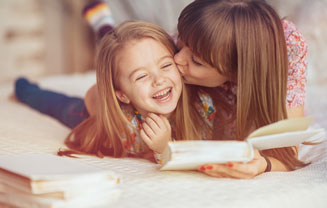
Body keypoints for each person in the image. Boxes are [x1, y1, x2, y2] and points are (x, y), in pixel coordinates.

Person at [14, 21, 212, 162]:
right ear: (122, 94)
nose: (159, 79)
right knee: (56, 104)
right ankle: (24, 88)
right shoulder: (123, 123)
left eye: (166, 65)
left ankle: (106, 29)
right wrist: (163, 147)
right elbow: (172, 160)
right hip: (94, 108)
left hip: (116, 90)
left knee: (122, 51)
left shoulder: (202, 103)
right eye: (141, 76)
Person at [173, 0, 309, 178]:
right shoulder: (193, 38)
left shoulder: (288, 49)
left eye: (196, 61)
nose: (177, 58)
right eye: (181, 39)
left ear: (237, 72)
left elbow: (287, 151)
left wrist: (263, 165)